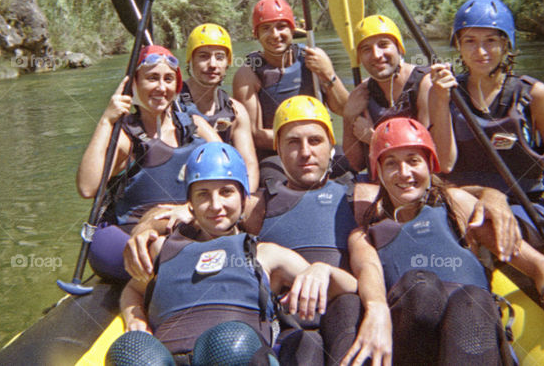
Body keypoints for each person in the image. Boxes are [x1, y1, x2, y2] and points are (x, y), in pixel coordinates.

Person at [125, 96, 519, 366]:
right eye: (293, 143)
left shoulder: (360, 194)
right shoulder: (256, 205)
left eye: (316, 141)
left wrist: (493, 196)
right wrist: (145, 225)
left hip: (350, 306)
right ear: (277, 150)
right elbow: (192, 213)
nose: (306, 151)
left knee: (357, 306)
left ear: (331, 147)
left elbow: (428, 191)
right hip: (294, 322)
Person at [341, 118, 544, 366]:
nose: (405, 172)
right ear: (378, 172)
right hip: (412, 338)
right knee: (421, 287)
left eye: (413, 160)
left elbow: (537, 264)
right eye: (391, 163)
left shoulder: (458, 207)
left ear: (429, 165)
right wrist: (376, 308)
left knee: (472, 299)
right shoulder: (365, 233)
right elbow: (368, 270)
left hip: (471, 333)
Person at [108, 142, 358, 365]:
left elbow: (348, 287)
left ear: (242, 198)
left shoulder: (266, 256)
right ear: (190, 204)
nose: (216, 205)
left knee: (229, 345)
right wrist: (135, 316)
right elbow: (133, 289)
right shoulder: (163, 250)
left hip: (234, 356)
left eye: (226, 192)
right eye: (203, 194)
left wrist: (321, 269)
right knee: (131, 351)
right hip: (168, 359)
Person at [76, 45, 225, 281]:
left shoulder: (193, 124)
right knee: (162, 251)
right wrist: (106, 121)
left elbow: (229, 169)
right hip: (131, 232)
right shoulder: (125, 137)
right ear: (134, 85)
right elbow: (87, 187)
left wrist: (190, 209)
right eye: (152, 78)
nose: (161, 87)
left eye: (168, 79)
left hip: (185, 222)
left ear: (176, 86)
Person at [427, 0, 544, 211]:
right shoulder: (442, 91)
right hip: (462, 203)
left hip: (522, 205)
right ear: (458, 46)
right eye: (470, 41)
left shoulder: (535, 95)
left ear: (505, 44)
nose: (480, 51)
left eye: (490, 41)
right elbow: (444, 163)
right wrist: (441, 99)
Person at [233, 0, 349, 161]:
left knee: (348, 164)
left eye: (282, 27)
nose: (275, 35)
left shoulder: (313, 59)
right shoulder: (247, 75)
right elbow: (255, 135)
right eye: (266, 28)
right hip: (275, 155)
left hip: (316, 147)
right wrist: (299, 142)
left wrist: (328, 74)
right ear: (256, 34)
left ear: (292, 30)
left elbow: (345, 110)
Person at [342, 14, 432, 173]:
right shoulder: (361, 93)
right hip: (382, 182)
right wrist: (348, 117)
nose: (376, 55)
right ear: (360, 57)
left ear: (399, 47)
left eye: (383, 45)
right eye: (366, 49)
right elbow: (356, 164)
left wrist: (374, 139)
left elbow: (426, 154)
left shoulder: (424, 84)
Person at [179, 23, 259, 190]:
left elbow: (249, 164)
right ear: (190, 61)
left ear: (227, 63)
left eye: (220, 57)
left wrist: (246, 197)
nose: (213, 64)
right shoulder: (172, 104)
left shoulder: (235, 110)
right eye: (203, 56)